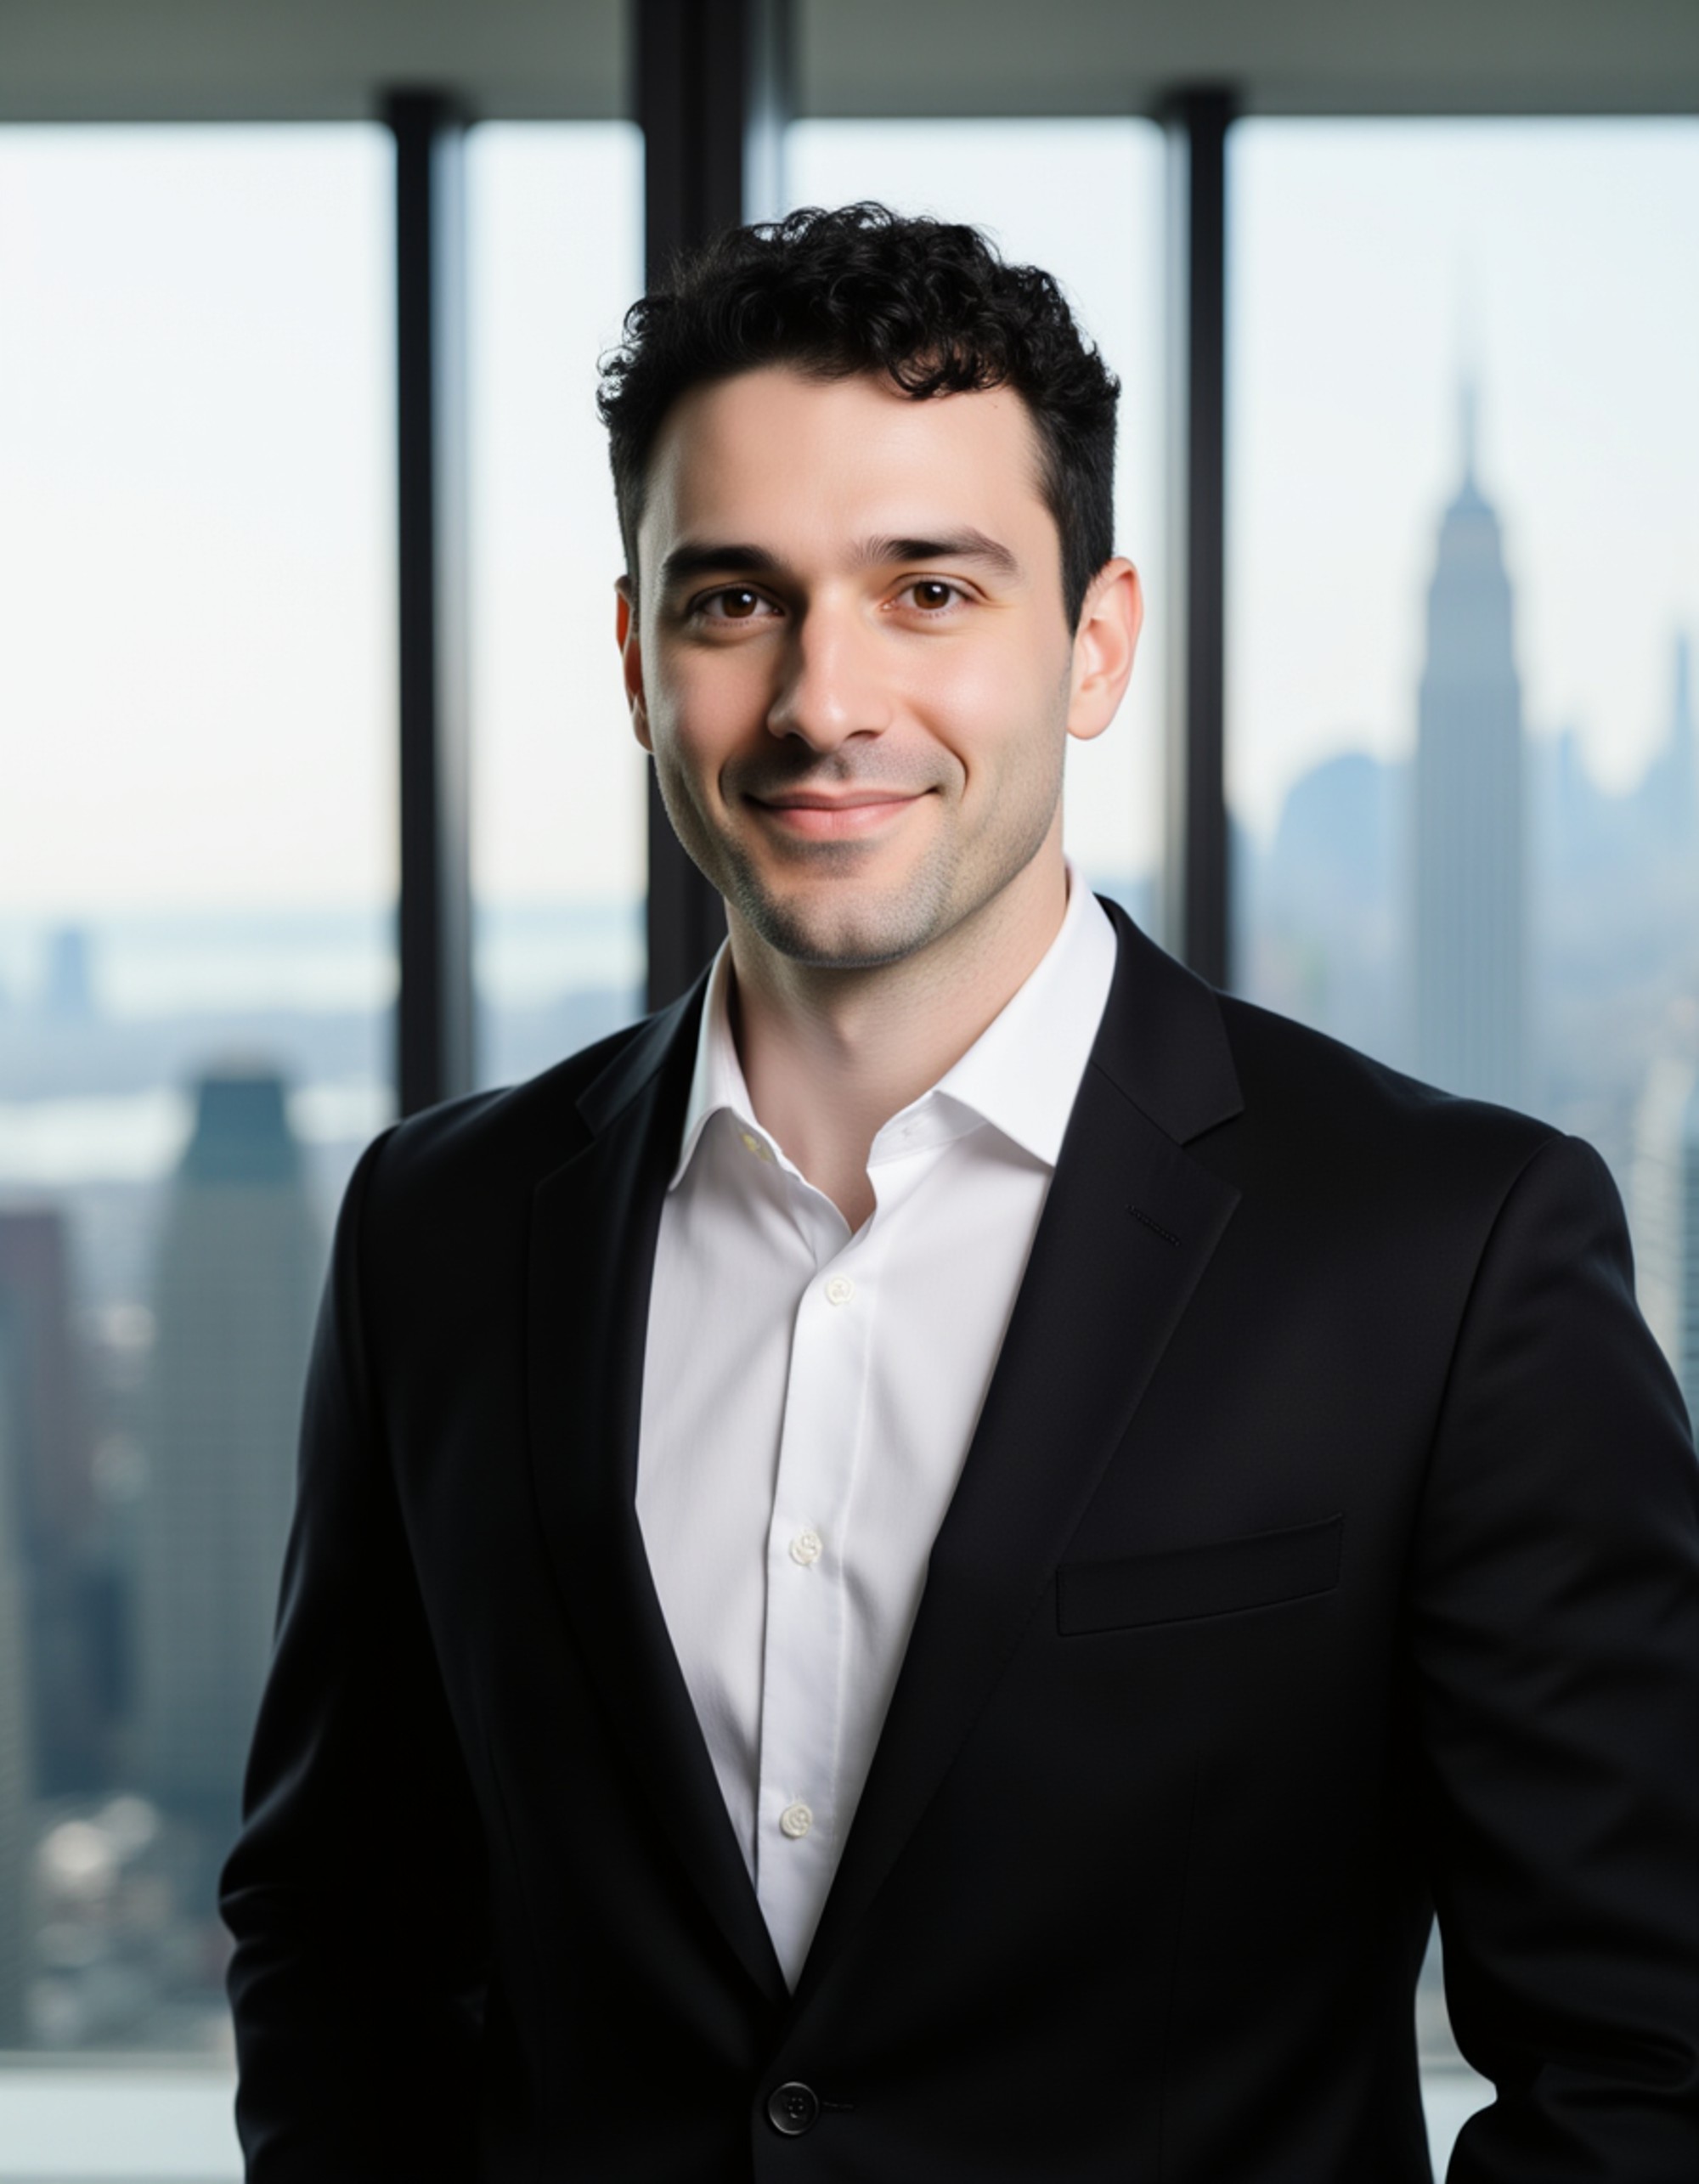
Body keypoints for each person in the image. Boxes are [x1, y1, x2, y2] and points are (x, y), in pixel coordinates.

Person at [221, 204, 1699, 2181]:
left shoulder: (1444, 1251)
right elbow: (344, 1939)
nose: (827, 698)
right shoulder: (442, 1229)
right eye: (735, 599)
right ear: (637, 659)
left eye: (928, 589)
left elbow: (1642, 2056)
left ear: (1091, 646)